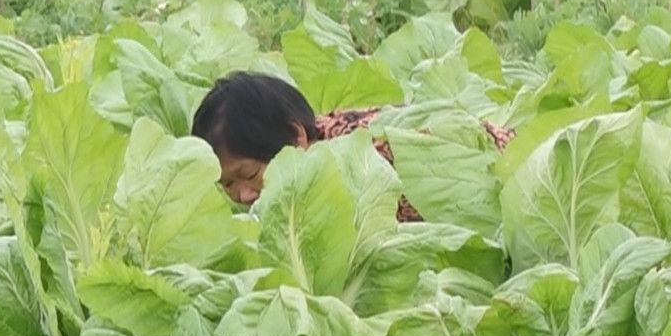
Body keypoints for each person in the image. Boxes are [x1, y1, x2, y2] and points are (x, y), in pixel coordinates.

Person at [191, 71, 514, 222]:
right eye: (228, 184)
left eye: (249, 173)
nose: (244, 195)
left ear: (296, 136)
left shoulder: (374, 162)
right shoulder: (314, 148)